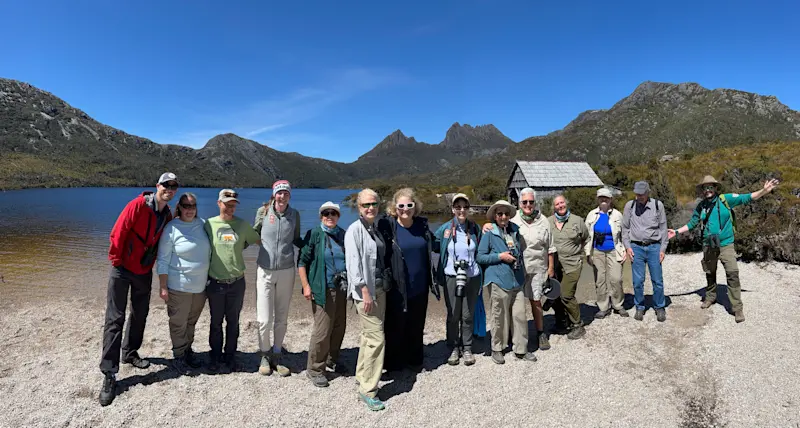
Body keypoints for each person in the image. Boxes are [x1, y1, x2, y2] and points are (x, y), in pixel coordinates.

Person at [98, 172, 177, 406]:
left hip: (143, 271)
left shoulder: (167, 214)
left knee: (140, 314)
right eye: (166, 185)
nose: (169, 189)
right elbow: (119, 231)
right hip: (122, 269)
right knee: (115, 318)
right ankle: (109, 374)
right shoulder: (137, 205)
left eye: (174, 186)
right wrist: (116, 260)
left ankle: (130, 353)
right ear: (157, 186)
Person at [668, 176, 779, 323]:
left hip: (726, 243)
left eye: (710, 187)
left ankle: (737, 308)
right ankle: (710, 297)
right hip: (708, 244)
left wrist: (764, 191)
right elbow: (692, 223)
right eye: (705, 187)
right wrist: (675, 232)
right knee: (710, 272)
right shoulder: (701, 206)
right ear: (702, 190)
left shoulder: (725, 199)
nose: (708, 190)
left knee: (732, 273)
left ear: (715, 188)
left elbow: (747, 198)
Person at [380, 188, 437, 373]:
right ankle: (394, 362)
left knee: (416, 324)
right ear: (394, 207)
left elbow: (436, 244)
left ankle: (414, 359)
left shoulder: (422, 226)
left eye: (409, 205)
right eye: (401, 205)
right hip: (397, 286)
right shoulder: (387, 226)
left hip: (420, 286)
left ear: (415, 207)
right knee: (395, 325)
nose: (405, 209)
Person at [204, 189, 261, 373]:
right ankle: (214, 356)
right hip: (215, 283)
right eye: (226, 203)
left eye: (233, 204)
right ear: (219, 203)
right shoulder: (208, 225)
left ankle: (230, 356)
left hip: (237, 283)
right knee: (215, 322)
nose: (230, 207)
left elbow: (259, 240)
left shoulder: (242, 225)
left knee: (233, 321)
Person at [156, 192, 211, 374]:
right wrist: (163, 286)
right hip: (178, 286)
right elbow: (162, 260)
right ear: (178, 207)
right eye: (186, 206)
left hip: (200, 287)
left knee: (191, 322)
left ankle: (188, 351)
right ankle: (179, 356)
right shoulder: (171, 228)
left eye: (192, 206)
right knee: (178, 323)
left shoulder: (203, 225)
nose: (189, 210)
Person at [345, 189, 389, 411]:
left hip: (379, 289)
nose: (370, 208)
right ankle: (369, 390)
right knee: (376, 339)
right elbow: (353, 266)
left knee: (367, 337)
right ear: (358, 207)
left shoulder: (374, 228)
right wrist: (364, 293)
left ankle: (362, 376)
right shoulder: (355, 230)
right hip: (367, 293)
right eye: (365, 205)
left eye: (374, 204)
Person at [253, 180, 302, 377]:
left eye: (286, 193)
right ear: (274, 195)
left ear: (289, 196)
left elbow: (296, 239)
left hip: (287, 270)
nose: (282, 196)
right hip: (264, 269)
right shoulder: (263, 212)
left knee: (281, 317)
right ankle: (264, 354)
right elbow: (253, 233)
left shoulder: (295, 215)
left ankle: (277, 353)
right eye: (279, 193)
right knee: (264, 319)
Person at [478, 200, 536, 364]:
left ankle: (521, 349)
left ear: (510, 215)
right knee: (499, 316)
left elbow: (521, 251)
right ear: (495, 216)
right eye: (499, 214)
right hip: (497, 280)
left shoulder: (515, 230)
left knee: (519, 315)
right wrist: (499, 256)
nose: (503, 216)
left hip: (516, 280)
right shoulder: (489, 232)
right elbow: (480, 256)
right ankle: (497, 348)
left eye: (506, 213)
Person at [298, 201, 348, 387]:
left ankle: (332, 359)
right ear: (321, 216)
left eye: (333, 213)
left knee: (339, 326)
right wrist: (306, 286)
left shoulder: (343, 234)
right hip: (322, 288)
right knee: (322, 330)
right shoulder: (314, 234)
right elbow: (302, 261)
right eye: (326, 213)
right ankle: (315, 369)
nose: (329, 216)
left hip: (341, 289)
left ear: (338, 216)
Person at [434, 193, 482, 366]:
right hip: (451, 277)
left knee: (468, 314)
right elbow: (432, 244)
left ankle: (467, 347)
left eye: (465, 207)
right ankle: (454, 346)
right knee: (454, 314)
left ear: (469, 209)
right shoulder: (445, 229)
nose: (461, 210)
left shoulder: (475, 228)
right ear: (453, 209)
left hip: (472, 276)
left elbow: (483, 249)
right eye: (458, 207)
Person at [622, 181, 669, 322]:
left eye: (642, 194)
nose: (639, 197)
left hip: (654, 247)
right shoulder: (629, 206)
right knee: (637, 281)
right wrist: (627, 246)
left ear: (648, 192)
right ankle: (640, 307)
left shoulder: (657, 205)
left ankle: (660, 307)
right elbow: (625, 228)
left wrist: (663, 248)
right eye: (637, 194)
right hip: (636, 247)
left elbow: (663, 228)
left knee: (657, 280)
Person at [548, 195, 589, 339]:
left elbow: (585, 238)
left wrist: (578, 253)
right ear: (554, 207)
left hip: (572, 264)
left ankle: (577, 324)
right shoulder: (548, 222)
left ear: (566, 203)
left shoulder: (577, 221)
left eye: (562, 202)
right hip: (554, 265)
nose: (560, 205)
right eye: (557, 204)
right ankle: (561, 321)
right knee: (555, 294)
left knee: (566, 294)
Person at [585, 188, 628, 319]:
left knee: (616, 279)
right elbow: (587, 235)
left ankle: (618, 304)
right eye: (601, 198)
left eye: (606, 198)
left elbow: (625, 233)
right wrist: (587, 253)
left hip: (614, 250)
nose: (603, 200)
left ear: (610, 200)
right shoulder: (592, 215)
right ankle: (603, 307)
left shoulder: (617, 215)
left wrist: (626, 249)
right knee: (600, 280)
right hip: (597, 251)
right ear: (597, 199)